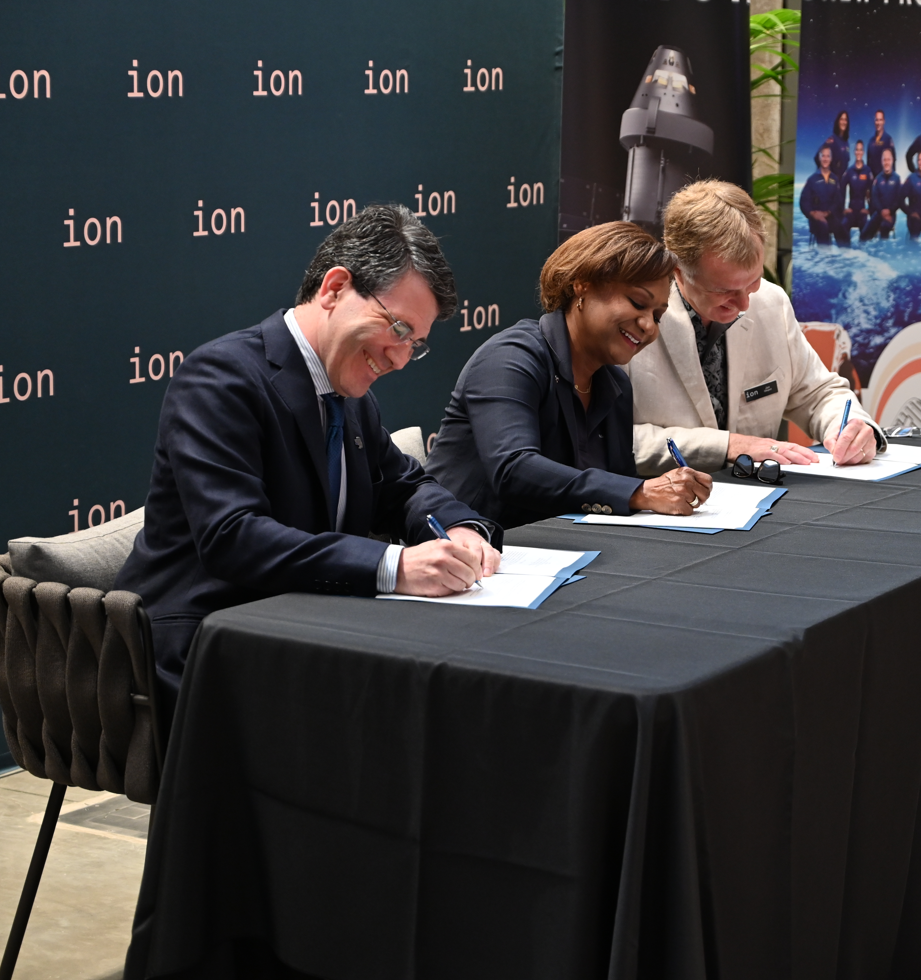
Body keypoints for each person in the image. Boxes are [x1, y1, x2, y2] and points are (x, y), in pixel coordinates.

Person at [116, 204, 500, 724]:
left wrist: (459, 525)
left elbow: (403, 485)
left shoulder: (349, 390)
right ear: (335, 288)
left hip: (303, 629)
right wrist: (394, 566)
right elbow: (234, 536)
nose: (400, 358)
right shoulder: (220, 377)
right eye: (399, 328)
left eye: (417, 344)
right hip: (203, 644)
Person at [425, 223, 711, 528]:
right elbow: (513, 469)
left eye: (657, 315)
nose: (649, 326)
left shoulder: (615, 385)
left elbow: (619, 486)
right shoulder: (510, 357)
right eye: (638, 303)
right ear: (582, 285)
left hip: (562, 553)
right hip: (466, 553)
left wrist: (653, 492)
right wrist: (641, 491)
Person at [629, 180, 886, 473]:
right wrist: (728, 446)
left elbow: (818, 393)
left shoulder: (770, 302)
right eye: (723, 291)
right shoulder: (633, 321)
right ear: (677, 271)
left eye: (753, 282)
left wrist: (853, 428)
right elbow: (606, 439)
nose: (744, 305)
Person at [799, 146, 845, 246]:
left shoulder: (834, 179)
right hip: (816, 218)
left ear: (831, 159)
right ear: (819, 158)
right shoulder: (812, 179)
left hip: (830, 215)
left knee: (841, 228)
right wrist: (812, 213)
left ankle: (845, 255)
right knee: (823, 226)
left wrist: (828, 212)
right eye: (823, 156)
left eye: (828, 156)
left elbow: (837, 201)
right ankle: (825, 256)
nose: (825, 159)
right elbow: (804, 201)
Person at [862, 147, 904, 241]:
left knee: (884, 228)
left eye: (888, 159)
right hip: (878, 213)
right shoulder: (877, 179)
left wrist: (890, 211)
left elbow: (899, 200)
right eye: (884, 159)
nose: (886, 162)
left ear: (892, 161)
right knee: (864, 235)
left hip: (891, 214)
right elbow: (875, 198)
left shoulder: (897, 179)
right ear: (881, 161)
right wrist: (882, 211)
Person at [840, 138, 873, 245]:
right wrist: (843, 209)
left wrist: (870, 209)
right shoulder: (849, 171)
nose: (859, 152)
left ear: (863, 152)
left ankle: (863, 256)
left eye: (861, 150)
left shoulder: (867, 171)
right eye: (857, 150)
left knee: (866, 234)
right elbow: (841, 189)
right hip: (851, 212)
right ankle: (846, 254)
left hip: (862, 212)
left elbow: (873, 191)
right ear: (855, 152)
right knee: (843, 227)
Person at [813, 110, 851, 179]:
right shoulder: (832, 140)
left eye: (845, 120)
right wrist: (826, 175)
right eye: (841, 119)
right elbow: (817, 157)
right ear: (838, 122)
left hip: (841, 183)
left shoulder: (846, 143)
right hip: (832, 182)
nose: (843, 122)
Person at [867, 110, 895, 180]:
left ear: (884, 121)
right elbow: (868, 163)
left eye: (880, 120)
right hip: (873, 182)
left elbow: (893, 162)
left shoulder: (888, 140)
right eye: (877, 120)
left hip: (886, 181)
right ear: (874, 122)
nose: (878, 123)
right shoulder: (871, 141)